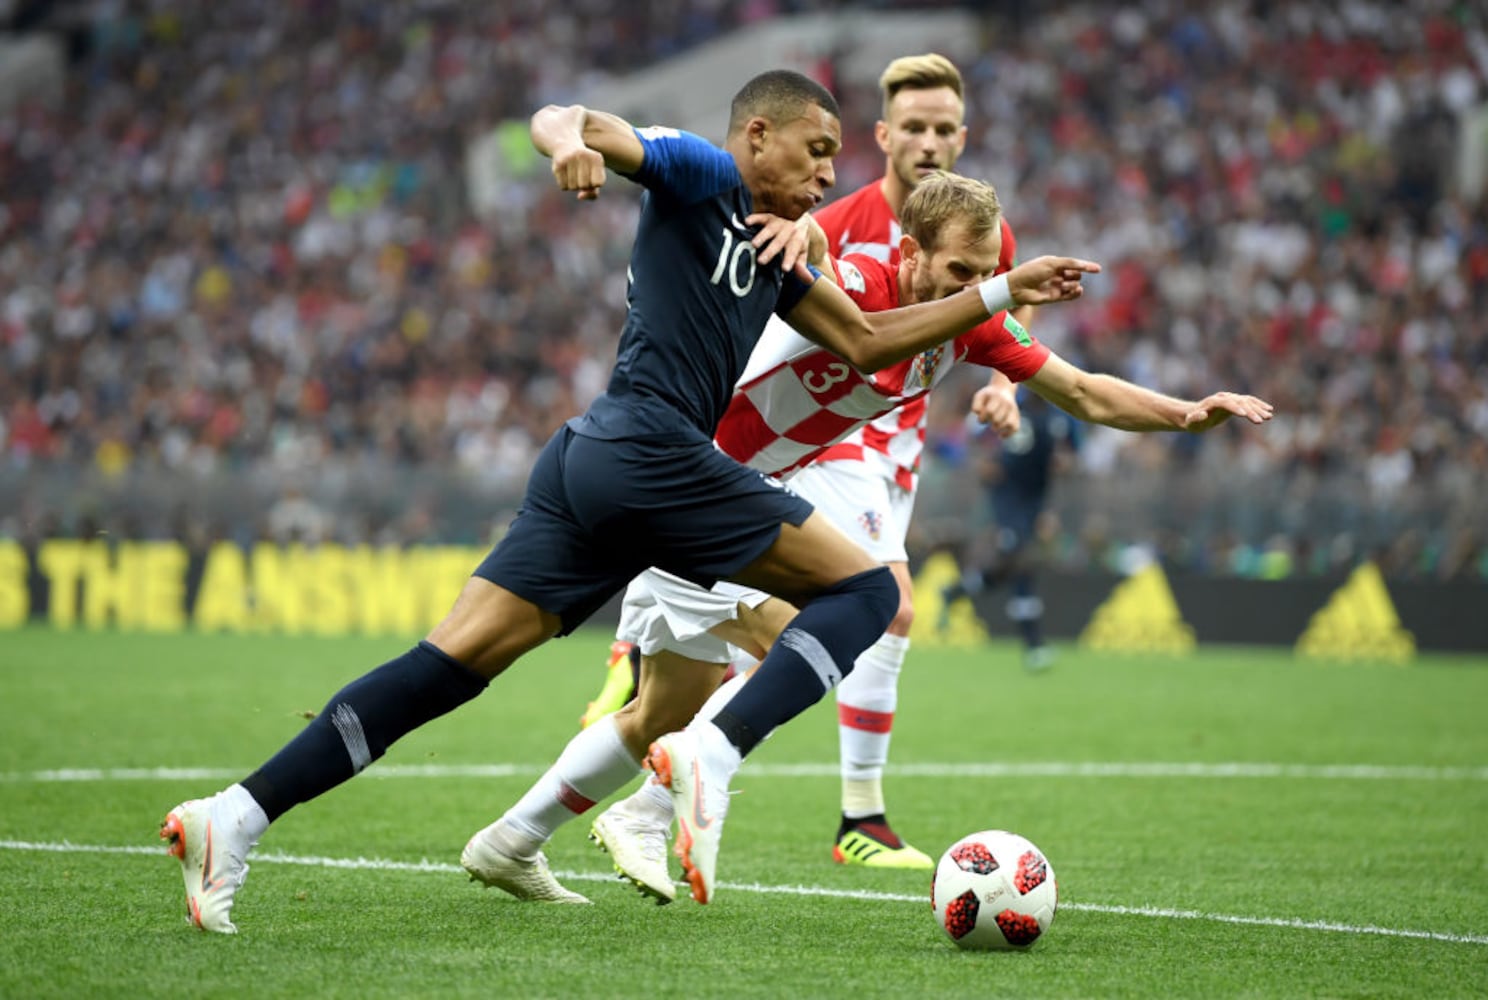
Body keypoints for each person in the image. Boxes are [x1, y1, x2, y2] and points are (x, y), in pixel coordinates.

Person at [159, 69, 1102, 932]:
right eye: (816, 150)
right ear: (757, 136)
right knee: (866, 597)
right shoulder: (699, 171)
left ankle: (230, 819)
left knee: (448, 667)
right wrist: (567, 144)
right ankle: (710, 759)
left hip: (592, 460)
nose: (829, 172)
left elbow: (865, 343)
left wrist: (991, 298)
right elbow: (571, 117)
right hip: (654, 451)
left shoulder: (778, 252)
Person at [465, 172, 1273, 906]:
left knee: (662, 708)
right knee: (817, 631)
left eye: (986, 273)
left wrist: (1186, 412)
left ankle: (514, 840)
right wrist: (812, 235)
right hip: (690, 485)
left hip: (722, 499)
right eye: (959, 272)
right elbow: (819, 261)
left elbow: (1084, 392)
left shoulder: (970, 325)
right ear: (911, 250)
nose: (976, 288)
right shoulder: (861, 282)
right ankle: (702, 765)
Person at [574, 52, 1028, 870]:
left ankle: (643, 683)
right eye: (913, 127)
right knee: (875, 608)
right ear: (885, 136)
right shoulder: (840, 209)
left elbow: (1001, 320)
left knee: (814, 626)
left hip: (897, 434)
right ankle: (860, 815)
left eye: (942, 128)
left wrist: (1009, 387)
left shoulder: (979, 227)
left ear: (963, 136)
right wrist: (805, 232)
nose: (928, 141)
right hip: (826, 440)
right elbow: (815, 254)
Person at [940, 387, 1080, 670]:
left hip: (1035, 501)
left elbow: (1070, 454)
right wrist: (983, 462)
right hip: (1007, 496)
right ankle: (1034, 645)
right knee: (1020, 559)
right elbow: (974, 433)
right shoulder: (1011, 406)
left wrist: (1061, 470)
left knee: (1013, 564)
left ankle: (959, 590)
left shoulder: (1059, 417)